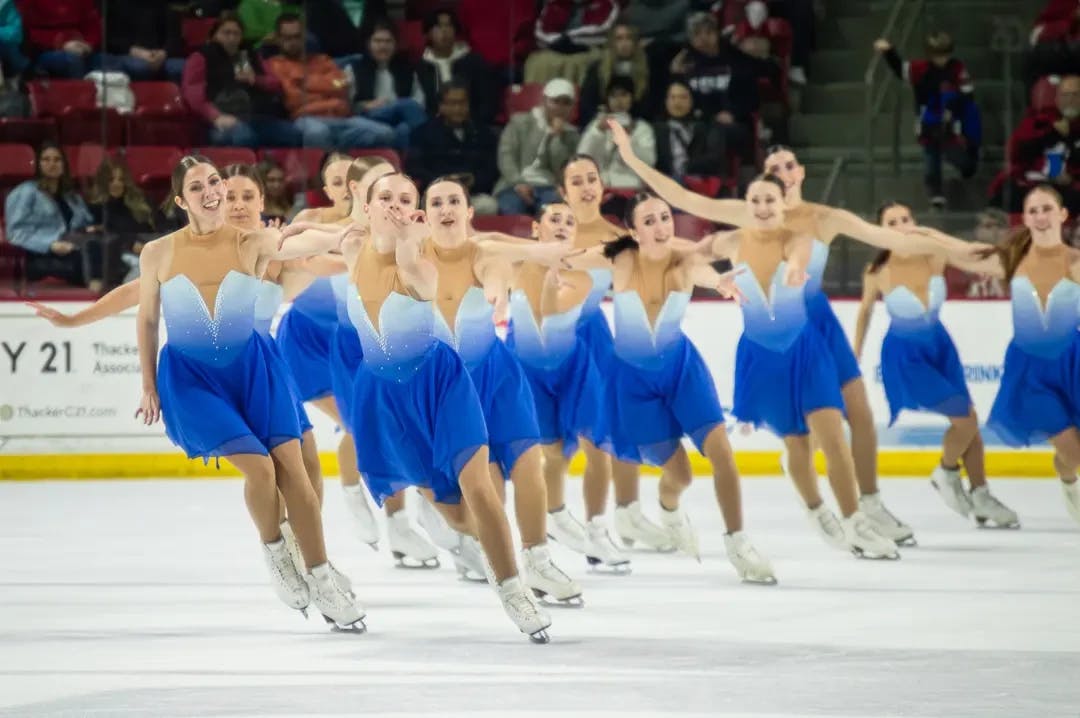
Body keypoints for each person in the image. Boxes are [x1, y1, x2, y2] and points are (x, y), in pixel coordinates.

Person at [609, 131, 927, 546]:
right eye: (773, 170)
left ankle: (864, 511)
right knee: (799, 441)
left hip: (816, 330)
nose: (783, 174)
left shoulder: (820, 219)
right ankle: (820, 508)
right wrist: (632, 161)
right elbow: (684, 208)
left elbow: (884, 238)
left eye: (789, 166)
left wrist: (947, 246)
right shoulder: (743, 223)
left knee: (850, 421)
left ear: (800, 174)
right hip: (766, 339)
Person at [278, 172, 555, 642]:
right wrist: (284, 234)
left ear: (414, 212)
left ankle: (514, 591)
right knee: (456, 513)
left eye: (405, 199)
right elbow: (309, 238)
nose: (393, 204)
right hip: (384, 397)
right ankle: (477, 546)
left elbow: (423, 284)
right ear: (365, 206)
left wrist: (410, 242)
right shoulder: (351, 244)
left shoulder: (420, 258)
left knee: (480, 484)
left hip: (441, 383)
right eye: (383, 197)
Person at [134, 155, 363, 630]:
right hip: (193, 380)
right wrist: (148, 384)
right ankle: (277, 553)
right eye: (198, 186)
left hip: (255, 370)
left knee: (294, 468)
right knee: (260, 470)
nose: (212, 191)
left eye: (214, 181)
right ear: (181, 200)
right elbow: (147, 317)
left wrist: (344, 235)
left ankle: (320, 574)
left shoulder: (253, 242)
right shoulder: (158, 252)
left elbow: (303, 240)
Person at [563, 192, 777, 583]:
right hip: (631, 382)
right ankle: (669, 506)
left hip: (681, 370)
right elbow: (564, 258)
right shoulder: (619, 257)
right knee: (679, 475)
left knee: (721, 453)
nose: (661, 227)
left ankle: (738, 542)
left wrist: (720, 282)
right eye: (649, 221)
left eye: (665, 217)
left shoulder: (685, 261)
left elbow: (704, 273)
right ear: (632, 230)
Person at [422, 177, 584, 604]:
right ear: (424, 214)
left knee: (530, 464)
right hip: (446, 387)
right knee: (486, 488)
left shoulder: (487, 253)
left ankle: (538, 560)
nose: (446, 208)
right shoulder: (413, 260)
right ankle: (490, 553)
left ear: (468, 211)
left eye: (454, 200)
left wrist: (495, 294)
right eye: (436, 202)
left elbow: (492, 274)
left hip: (496, 376)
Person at [852, 201, 1019, 528]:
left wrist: (1013, 256)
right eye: (892, 222)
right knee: (966, 419)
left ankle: (981, 495)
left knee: (967, 419)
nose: (901, 226)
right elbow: (864, 313)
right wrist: (853, 358)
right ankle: (945, 471)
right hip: (905, 355)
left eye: (906, 219)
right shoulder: (877, 272)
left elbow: (972, 256)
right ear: (881, 231)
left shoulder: (936, 254)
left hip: (940, 346)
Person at [948, 185, 1080, 526]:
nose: (1040, 216)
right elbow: (955, 251)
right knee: (1074, 451)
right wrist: (914, 236)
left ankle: (1067, 481)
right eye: (1033, 210)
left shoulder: (1077, 263)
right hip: (1031, 374)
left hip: (1073, 366)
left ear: (1063, 215)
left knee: (1071, 452)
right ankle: (1071, 480)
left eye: (1047, 208)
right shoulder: (1011, 260)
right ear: (1025, 218)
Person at [504, 202, 617, 574]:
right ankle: (554, 512)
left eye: (570, 222)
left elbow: (549, 314)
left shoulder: (581, 276)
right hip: (526, 368)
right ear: (536, 228)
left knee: (595, 442)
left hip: (572, 367)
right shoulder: (513, 267)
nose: (564, 225)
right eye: (555, 219)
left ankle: (598, 528)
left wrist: (552, 283)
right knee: (551, 453)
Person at [874, 33, 980, 208]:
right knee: (932, 158)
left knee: (963, 161)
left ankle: (967, 168)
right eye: (937, 55)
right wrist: (889, 51)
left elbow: (968, 93)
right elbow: (901, 69)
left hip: (950, 123)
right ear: (930, 54)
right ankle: (935, 193)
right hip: (927, 122)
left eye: (945, 55)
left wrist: (956, 108)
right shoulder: (920, 69)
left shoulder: (957, 68)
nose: (941, 59)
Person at [266, 13, 395, 150]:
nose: (293, 42)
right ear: (278, 39)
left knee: (385, 133)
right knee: (318, 133)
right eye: (287, 38)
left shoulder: (323, 60)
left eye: (297, 37)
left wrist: (304, 82)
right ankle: (329, 163)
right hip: (308, 119)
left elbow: (341, 85)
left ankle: (333, 152)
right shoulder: (274, 65)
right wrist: (327, 87)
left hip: (341, 117)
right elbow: (294, 99)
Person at [181, 13, 301, 148]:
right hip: (219, 119)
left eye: (236, 34)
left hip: (254, 117)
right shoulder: (201, 57)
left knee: (293, 133)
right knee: (244, 135)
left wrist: (256, 79)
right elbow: (193, 95)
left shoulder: (251, 55)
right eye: (226, 33)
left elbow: (276, 84)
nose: (231, 38)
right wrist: (215, 116)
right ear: (214, 35)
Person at [4, 142, 99, 292]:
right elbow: (15, 234)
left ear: (64, 165)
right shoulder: (25, 192)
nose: (52, 164)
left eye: (57, 159)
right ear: (38, 164)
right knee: (92, 263)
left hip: (74, 249)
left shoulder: (71, 196)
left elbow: (85, 223)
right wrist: (50, 245)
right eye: (46, 159)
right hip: (40, 256)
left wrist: (90, 229)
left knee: (105, 252)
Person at [406, 82, 500, 215]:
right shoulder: (422, 133)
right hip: (436, 196)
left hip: (472, 194)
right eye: (451, 103)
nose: (457, 108)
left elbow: (492, 168)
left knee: (489, 206)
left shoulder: (484, 133)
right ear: (441, 106)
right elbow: (414, 168)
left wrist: (474, 180)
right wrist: (442, 180)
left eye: (462, 103)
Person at [495, 78, 581, 216]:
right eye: (555, 102)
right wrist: (518, 183)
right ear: (545, 101)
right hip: (514, 184)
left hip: (550, 188)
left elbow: (562, 170)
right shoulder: (520, 122)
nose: (560, 107)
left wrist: (557, 137)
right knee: (512, 210)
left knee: (554, 214)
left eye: (566, 103)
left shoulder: (572, 135)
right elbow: (506, 156)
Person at [348, 19, 429, 150]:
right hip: (368, 116)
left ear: (395, 45)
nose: (383, 46)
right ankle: (433, 151)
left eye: (388, 41)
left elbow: (419, 102)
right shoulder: (355, 69)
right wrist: (364, 105)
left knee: (404, 130)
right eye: (378, 41)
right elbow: (345, 106)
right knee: (407, 104)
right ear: (369, 44)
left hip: (399, 117)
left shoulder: (406, 69)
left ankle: (408, 166)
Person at [577, 77, 656, 196]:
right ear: (607, 100)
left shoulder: (642, 128)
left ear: (632, 98)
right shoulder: (598, 125)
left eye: (624, 95)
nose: (619, 100)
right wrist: (598, 131)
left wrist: (628, 139)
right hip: (600, 188)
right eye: (613, 96)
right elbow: (582, 158)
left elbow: (649, 161)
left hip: (630, 189)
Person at [416, 9, 496, 126]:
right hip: (434, 126)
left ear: (455, 31)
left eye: (448, 26)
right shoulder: (421, 67)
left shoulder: (474, 61)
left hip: (471, 123)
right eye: (438, 26)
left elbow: (487, 101)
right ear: (428, 33)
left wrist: (474, 122)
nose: (444, 31)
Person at [86, 158, 157, 288]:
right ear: (103, 182)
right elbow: (98, 238)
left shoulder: (139, 205)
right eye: (111, 180)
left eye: (121, 179)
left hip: (144, 255)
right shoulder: (96, 208)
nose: (117, 184)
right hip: (116, 260)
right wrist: (130, 244)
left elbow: (150, 232)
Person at [577, 21, 650, 127]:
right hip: (603, 124)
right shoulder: (597, 69)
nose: (624, 43)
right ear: (611, 42)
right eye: (619, 39)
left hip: (636, 127)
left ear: (635, 43)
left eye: (629, 38)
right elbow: (587, 105)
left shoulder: (646, 69)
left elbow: (649, 107)